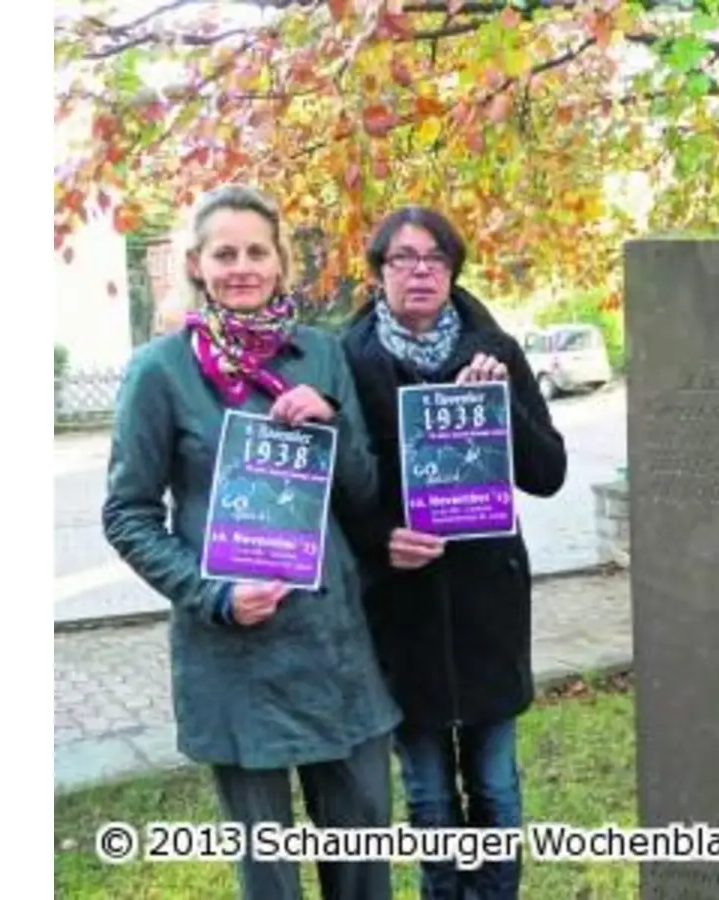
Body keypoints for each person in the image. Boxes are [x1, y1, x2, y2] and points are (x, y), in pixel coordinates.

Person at [101, 184, 402, 900]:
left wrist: (331, 424)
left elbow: (361, 494)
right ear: (197, 265)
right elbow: (128, 513)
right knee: (269, 876)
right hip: (236, 655)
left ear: (280, 261)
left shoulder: (321, 356)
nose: (242, 266)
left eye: (256, 251)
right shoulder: (160, 372)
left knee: (362, 861)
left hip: (335, 651)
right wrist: (215, 595)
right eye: (224, 253)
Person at [339, 206, 568, 899]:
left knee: (496, 783)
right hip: (401, 609)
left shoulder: (493, 351)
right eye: (402, 258)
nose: (420, 271)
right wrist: (382, 542)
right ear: (378, 274)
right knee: (430, 791)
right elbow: (341, 492)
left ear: (453, 270)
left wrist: (503, 408)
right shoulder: (348, 361)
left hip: (487, 607)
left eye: (435, 258)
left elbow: (548, 472)